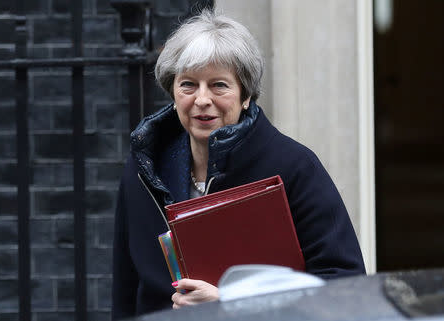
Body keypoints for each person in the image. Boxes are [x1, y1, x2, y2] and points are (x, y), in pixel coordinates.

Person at [112, 9, 365, 320]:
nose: (202, 99)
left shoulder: (295, 167)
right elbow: (126, 290)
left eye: (219, 85)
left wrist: (234, 304)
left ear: (246, 95)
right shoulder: (144, 171)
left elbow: (344, 282)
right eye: (188, 84)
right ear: (172, 91)